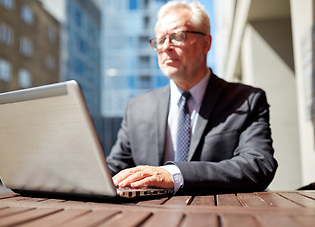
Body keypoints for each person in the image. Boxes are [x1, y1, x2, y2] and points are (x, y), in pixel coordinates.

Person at [107, 1, 277, 195]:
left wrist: (174, 175)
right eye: (160, 40)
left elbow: (257, 165)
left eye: (177, 37)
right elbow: (116, 166)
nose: (166, 47)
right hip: (151, 217)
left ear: (206, 43)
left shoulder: (246, 100)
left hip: (219, 216)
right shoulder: (137, 107)